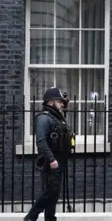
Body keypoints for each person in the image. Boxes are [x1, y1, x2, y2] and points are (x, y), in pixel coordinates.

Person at [24, 87, 75, 221]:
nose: (62, 104)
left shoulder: (56, 118)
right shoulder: (44, 119)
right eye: (59, 101)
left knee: (55, 192)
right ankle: (31, 217)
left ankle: (50, 218)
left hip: (59, 159)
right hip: (50, 161)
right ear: (51, 102)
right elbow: (41, 141)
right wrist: (52, 159)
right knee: (50, 191)